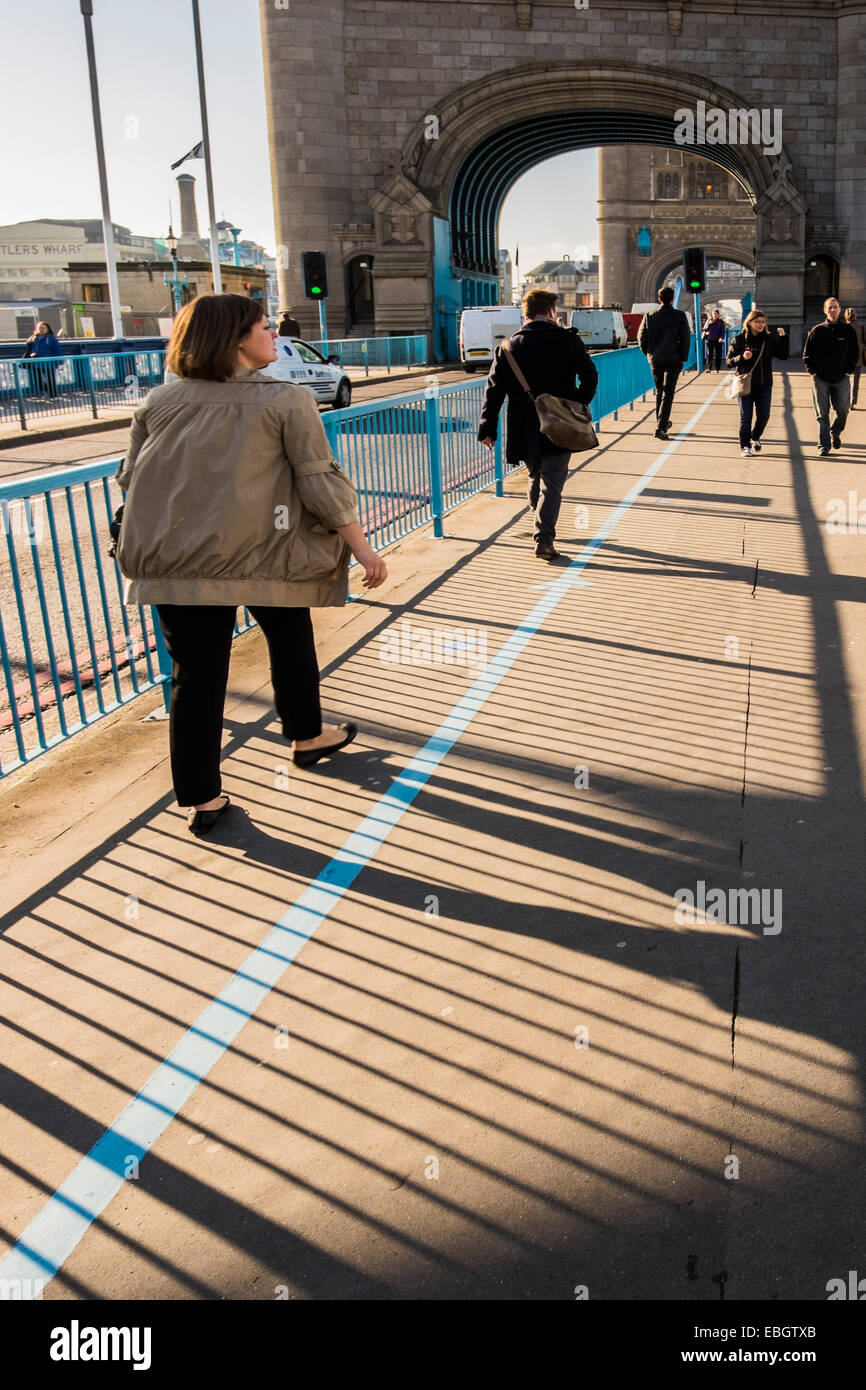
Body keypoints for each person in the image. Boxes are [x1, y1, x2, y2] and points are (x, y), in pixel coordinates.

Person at [115, 293, 387, 836]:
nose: (273, 337)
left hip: (178, 563)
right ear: (236, 340)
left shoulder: (158, 403)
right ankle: (306, 736)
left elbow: (131, 480)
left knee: (194, 678)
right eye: (265, 328)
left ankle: (203, 799)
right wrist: (361, 546)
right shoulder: (286, 400)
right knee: (290, 638)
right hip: (264, 552)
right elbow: (318, 480)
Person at [477, 287, 598, 560]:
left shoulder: (507, 348)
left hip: (524, 426)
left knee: (536, 476)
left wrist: (487, 428)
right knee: (552, 483)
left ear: (526, 313)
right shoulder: (567, 341)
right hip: (560, 422)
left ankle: (540, 523)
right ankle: (544, 539)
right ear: (551, 312)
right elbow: (590, 377)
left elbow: (493, 391)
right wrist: (577, 403)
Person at [725, 309, 788, 457]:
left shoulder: (768, 339)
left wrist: (784, 338)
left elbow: (783, 356)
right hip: (745, 384)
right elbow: (728, 361)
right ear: (749, 322)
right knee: (746, 417)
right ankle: (745, 446)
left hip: (765, 384)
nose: (760, 324)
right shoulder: (740, 339)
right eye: (757, 322)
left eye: (763, 322)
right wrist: (742, 357)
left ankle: (755, 436)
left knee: (764, 416)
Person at [803, 297, 860, 454]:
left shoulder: (848, 331)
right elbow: (807, 354)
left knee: (842, 410)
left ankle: (835, 432)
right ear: (825, 310)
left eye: (835, 307)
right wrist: (812, 371)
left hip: (841, 377)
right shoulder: (817, 330)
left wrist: (849, 370)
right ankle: (823, 445)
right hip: (820, 378)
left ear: (840, 309)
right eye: (830, 307)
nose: (833, 310)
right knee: (822, 413)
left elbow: (855, 352)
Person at [637, 286, 691, 439]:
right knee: (668, 393)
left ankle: (662, 423)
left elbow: (641, 338)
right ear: (673, 299)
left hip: (656, 360)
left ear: (659, 299)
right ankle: (660, 428)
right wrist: (683, 357)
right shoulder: (680, 316)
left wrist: (649, 354)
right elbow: (685, 339)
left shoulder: (649, 316)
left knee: (660, 391)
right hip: (674, 359)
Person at [21, 320, 62, 398]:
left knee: (50, 380)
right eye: (39, 328)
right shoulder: (34, 337)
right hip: (36, 362)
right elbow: (27, 346)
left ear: (47, 329)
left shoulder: (50, 338)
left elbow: (57, 350)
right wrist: (30, 342)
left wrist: (58, 362)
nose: (41, 330)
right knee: (37, 381)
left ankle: (53, 396)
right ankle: (47, 391)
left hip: (48, 363)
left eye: (43, 328)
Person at [844, 307, 866, 408]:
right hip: (859, 357)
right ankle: (852, 403)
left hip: (847, 358)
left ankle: (846, 401)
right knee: (855, 382)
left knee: (845, 382)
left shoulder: (844, 327)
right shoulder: (861, 326)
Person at [702, 308, 726, 373]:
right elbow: (704, 329)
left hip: (718, 340)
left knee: (718, 354)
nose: (714, 315)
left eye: (716, 313)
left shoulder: (721, 322)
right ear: (712, 314)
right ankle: (708, 368)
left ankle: (717, 369)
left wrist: (721, 337)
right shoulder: (708, 321)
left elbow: (723, 331)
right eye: (713, 313)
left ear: (718, 314)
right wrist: (708, 325)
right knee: (710, 354)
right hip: (710, 339)